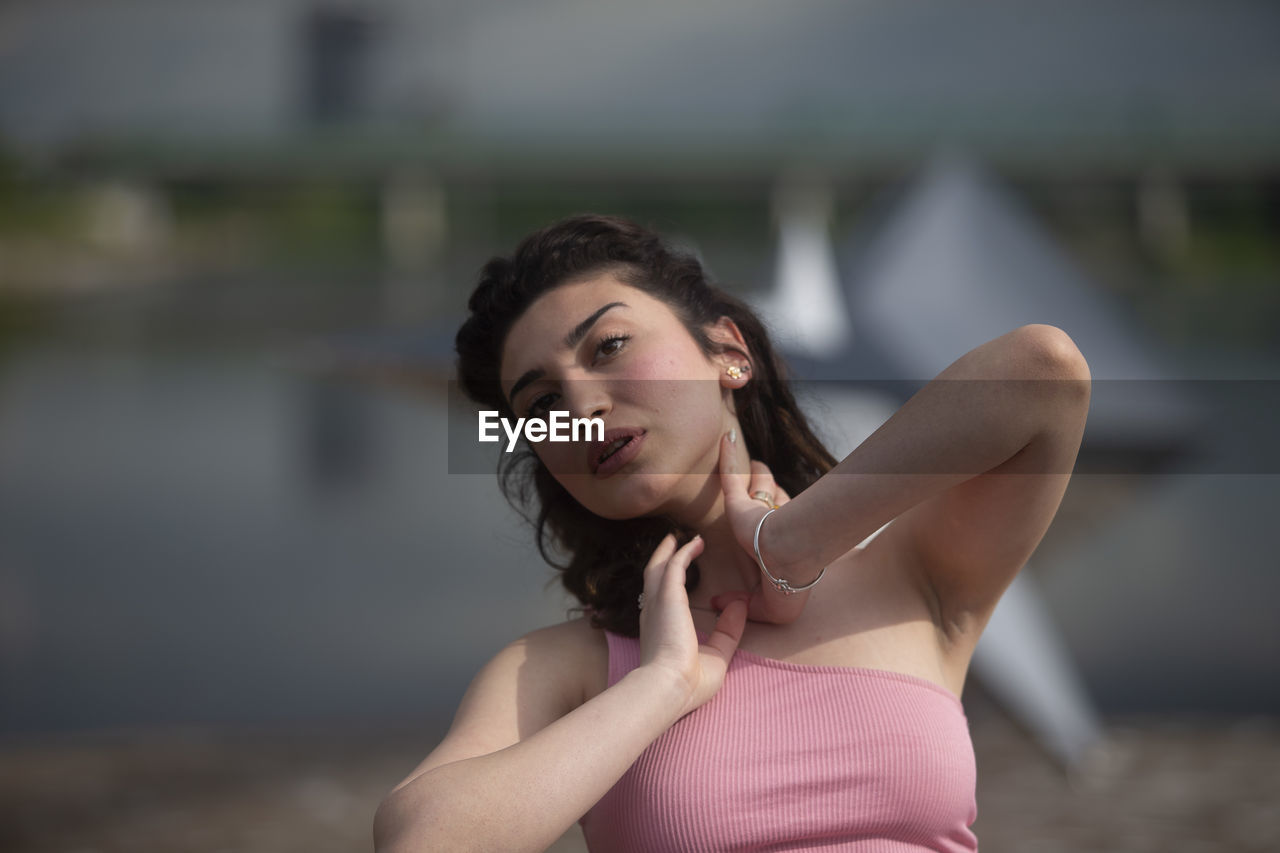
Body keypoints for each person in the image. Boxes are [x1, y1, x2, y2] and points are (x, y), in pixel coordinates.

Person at [373, 214, 1091, 852]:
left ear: (728, 354)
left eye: (609, 345)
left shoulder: (915, 580)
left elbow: (1045, 375)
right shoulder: (572, 666)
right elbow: (422, 839)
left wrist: (793, 543)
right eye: (543, 402)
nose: (583, 405)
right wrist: (659, 686)